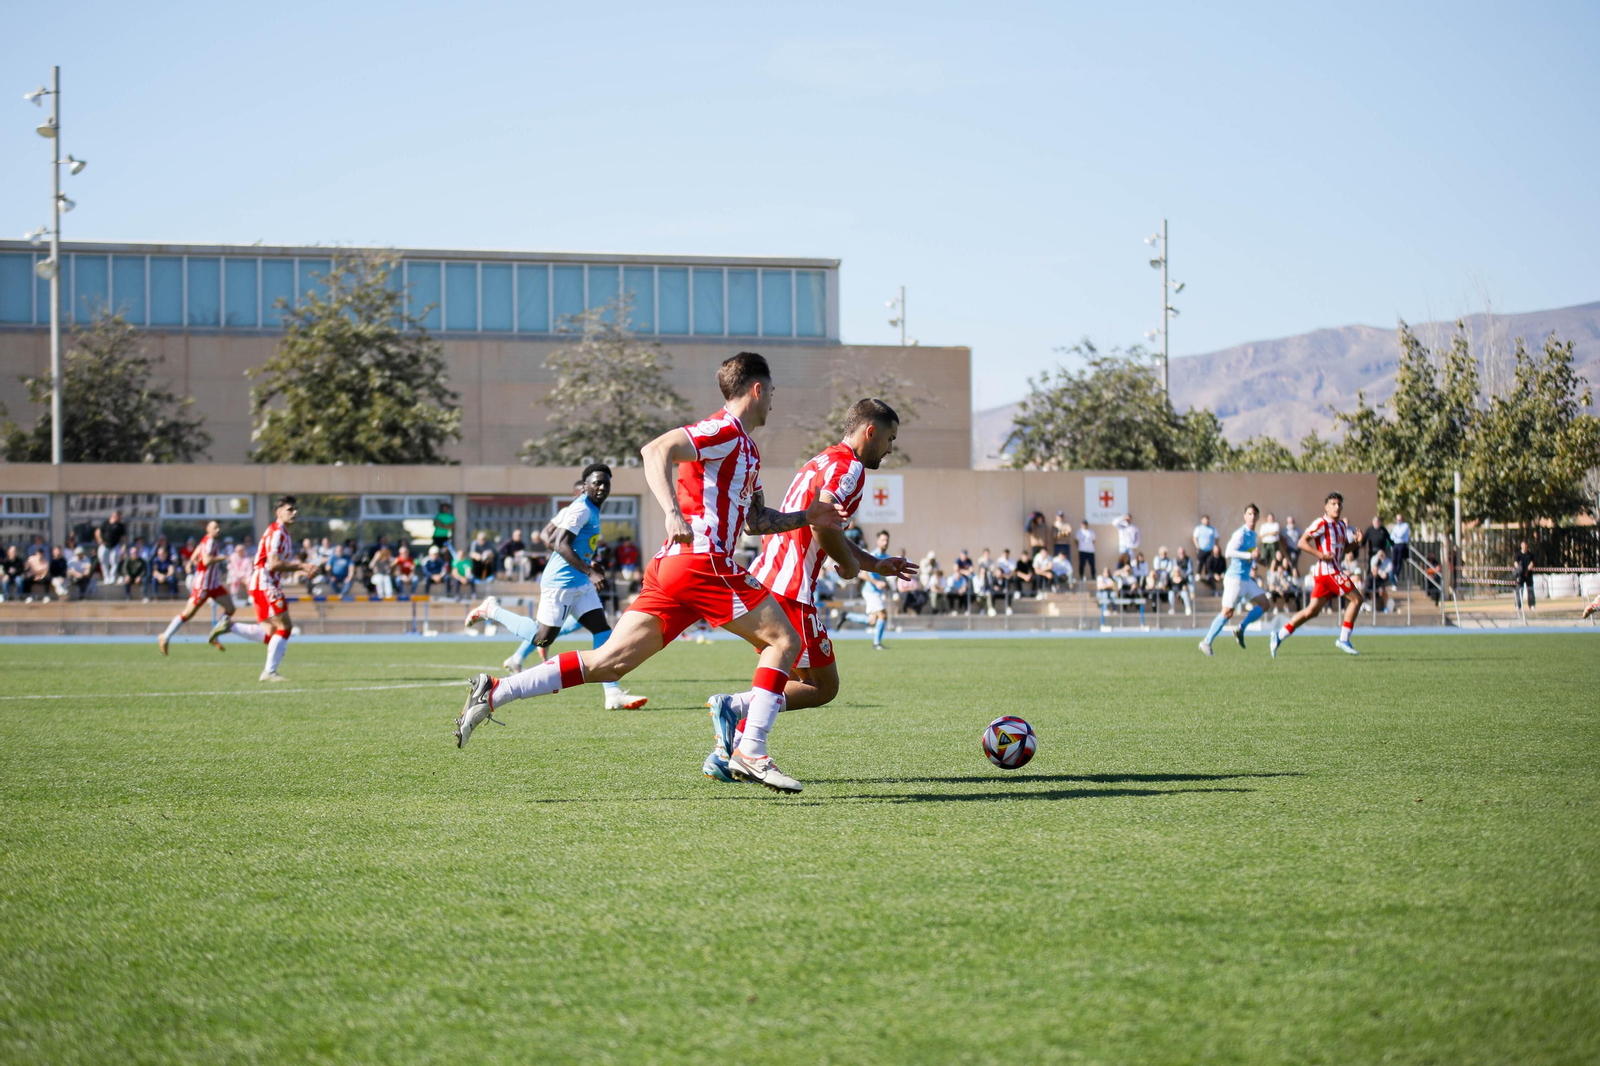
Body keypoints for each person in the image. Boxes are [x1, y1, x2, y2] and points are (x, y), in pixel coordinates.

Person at [453, 351, 849, 795]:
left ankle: (495, 691)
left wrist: (807, 515)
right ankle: (750, 750)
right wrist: (671, 512)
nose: (774, 400)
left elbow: (757, 521)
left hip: (675, 570)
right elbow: (654, 449)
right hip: (701, 559)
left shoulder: (748, 450)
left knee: (608, 663)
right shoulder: (723, 429)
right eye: (772, 391)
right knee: (785, 639)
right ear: (757, 389)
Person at [708, 398, 917, 778]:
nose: (889, 449)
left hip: (767, 579)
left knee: (790, 677)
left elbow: (824, 526)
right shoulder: (849, 468)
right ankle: (736, 711)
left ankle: (726, 754)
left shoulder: (820, 461)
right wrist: (851, 567)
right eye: (889, 439)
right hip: (791, 588)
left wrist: (872, 563)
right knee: (823, 686)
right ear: (870, 431)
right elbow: (822, 526)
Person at [467, 464, 648, 710]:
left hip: (580, 584)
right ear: (585, 486)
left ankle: (612, 693)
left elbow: (555, 539)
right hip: (560, 584)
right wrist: (589, 570)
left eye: (606, 483)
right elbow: (560, 543)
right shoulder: (581, 508)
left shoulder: (591, 508)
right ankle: (492, 610)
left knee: (603, 632)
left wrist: (588, 563)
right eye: (597, 482)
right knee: (542, 641)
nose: (602, 487)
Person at [211, 496, 317, 681]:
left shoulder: (283, 533)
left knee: (270, 633)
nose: (295, 513)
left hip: (264, 583)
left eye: (295, 509)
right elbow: (274, 564)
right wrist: (301, 566)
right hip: (264, 582)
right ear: (278, 512)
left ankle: (231, 626)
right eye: (290, 509)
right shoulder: (276, 532)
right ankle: (269, 672)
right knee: (285, 626)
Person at [1271, 491, 1365, 658]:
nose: (1337, 507)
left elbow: (1342, 552)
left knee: (1312, 611)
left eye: (1339, 504)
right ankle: (1343, 639)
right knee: (1357, 599)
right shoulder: (1321, 523)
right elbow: (1301, 542)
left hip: (1330, 573)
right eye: (1333, 504)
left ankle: (1279, 635)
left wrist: (1356, 543)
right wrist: (1320, 555)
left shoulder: (1342, 526)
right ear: (1326, 507)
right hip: (1329, 572)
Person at [1200, 503, 1274, 656]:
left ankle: (1241, 628)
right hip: (1235, 578)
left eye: (1254, 514)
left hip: (1246, 579)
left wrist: (1259, 561)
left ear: (1258, 517)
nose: (1252, 517)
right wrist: (1249, 556)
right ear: (1244, 516)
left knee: (1265, 603)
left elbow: (1249, 554)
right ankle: (1206, 642)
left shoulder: (1253, 535)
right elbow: (1228, 552)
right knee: (1227, 613)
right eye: (1249, 514)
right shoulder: (1240, 533)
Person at [156, 520, 239, 655]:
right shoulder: (209, 541)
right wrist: (221, 558)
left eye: (219, 528)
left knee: (230, 608)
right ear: (208, 529)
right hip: (203, 586)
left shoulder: (205, 541)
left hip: (213, 584)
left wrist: (197, 567)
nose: (218, 530)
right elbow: (206, 561)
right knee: (188, 613)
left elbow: (194, 557)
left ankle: (214, 635)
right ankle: (165, 637)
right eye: (215, 528)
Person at [95, 510, 127, 586]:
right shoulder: (105, 523)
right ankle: (106, 577)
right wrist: (100, 540)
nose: (119, 518)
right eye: (118, 516)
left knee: (114, 562)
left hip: (115, 546)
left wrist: (124, 546)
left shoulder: (120, 526)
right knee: (103, 561)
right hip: (104, 545)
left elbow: (124, 537)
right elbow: (97, 532)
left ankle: (112, 577)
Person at [1192, 515, 1218, 585]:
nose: (1206, 521)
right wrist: (1197, 546)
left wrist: (1214, 546)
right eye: (1204, 520)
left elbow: (1216, 537)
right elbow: (1194, 537)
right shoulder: (1199, 528)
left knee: (1208, 563)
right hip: (1202, 549)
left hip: (1209, 549)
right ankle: (1198, 574)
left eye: (1207, 520)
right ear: (1202, 520)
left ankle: (1207, 575)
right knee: (1200, 562)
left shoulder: (1212, 529)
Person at [1512, 541, 1535, 610]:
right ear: (1521, 546)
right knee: (1519, 591)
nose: (1525, 547)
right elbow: (1515, 563)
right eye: (1524, 546)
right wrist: (1519, 570)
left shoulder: (1530, 555)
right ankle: (1518, 605)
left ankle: (1532, 605)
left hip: (1528, 575)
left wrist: (1527, 571)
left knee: (1530, 590)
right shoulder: (1518, 554)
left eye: (1526, 546)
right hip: (1520, 576)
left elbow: (1532, 563)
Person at [1389, 513, 1411, 578]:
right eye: (1397, 520)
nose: (1398, 521)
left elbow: (1400, 534)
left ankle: (1397, 574)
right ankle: (1394, 573)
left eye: (1399, 519)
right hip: (1396, 544)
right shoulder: (1395, 527)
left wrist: (1396, 534)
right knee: (1394, 559)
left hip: (1402, 544)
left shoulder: (1405, 526)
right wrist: (1396, 534)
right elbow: (1392, 536)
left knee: (1399, 559)